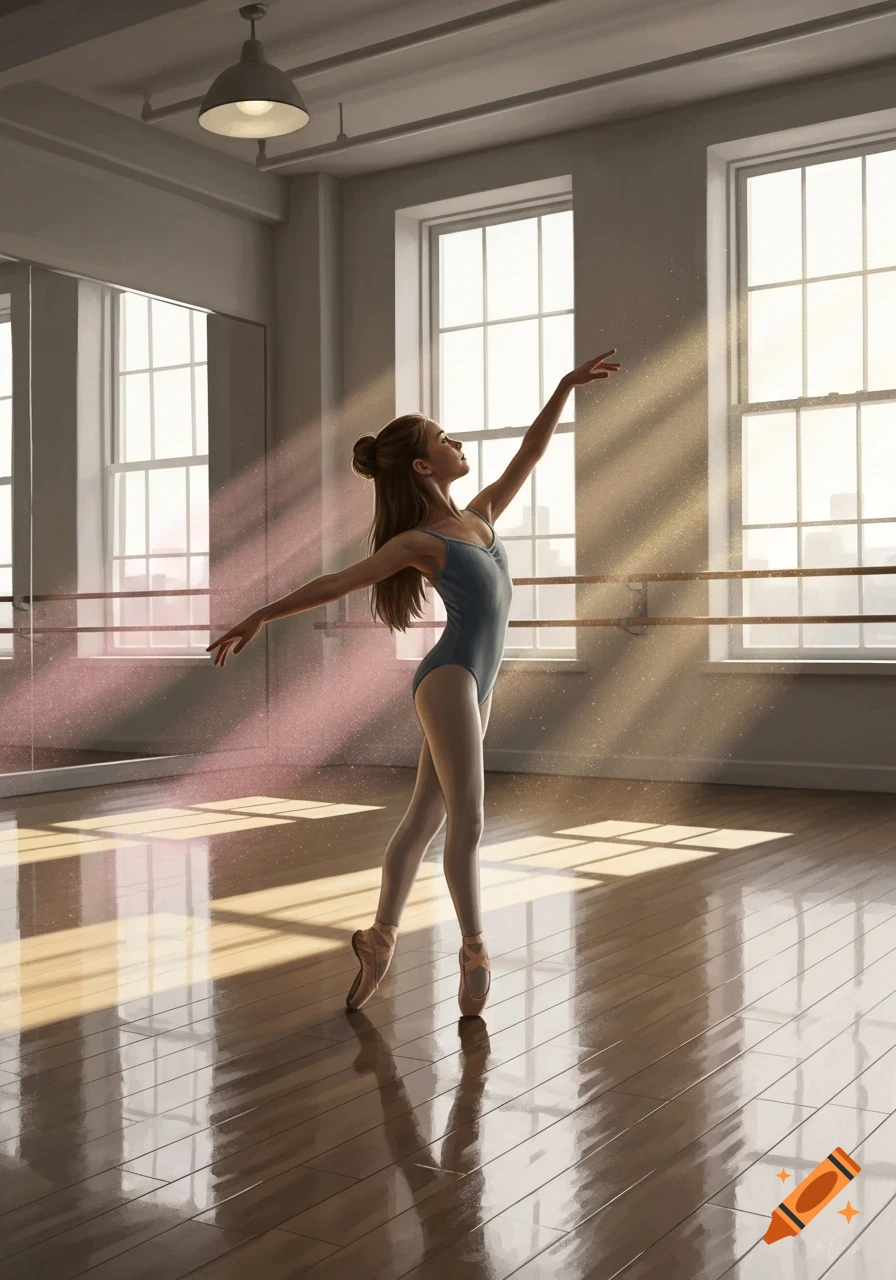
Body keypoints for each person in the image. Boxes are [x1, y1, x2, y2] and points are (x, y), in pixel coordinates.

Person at [207, 349, 620, 1018]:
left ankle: (378, 937)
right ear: (424, 466)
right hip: (450, 678)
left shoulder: (483, 513)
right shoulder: (420, 541)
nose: (459, 443)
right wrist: (260, 614)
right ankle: (476, 949)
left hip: (477, 684)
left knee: (424, 820)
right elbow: (339, 582)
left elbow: (531, 453)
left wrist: (565, 387)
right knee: (471, 817)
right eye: (444, 439)